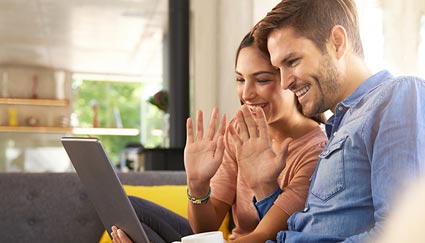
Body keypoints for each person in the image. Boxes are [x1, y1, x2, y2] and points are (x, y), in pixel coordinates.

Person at [111, 32, 328, 243]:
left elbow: (267, 236)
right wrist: (197, 183)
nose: (246, 94)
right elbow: (205, 230)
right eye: (240, 79)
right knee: (125, 211)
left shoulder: (316, 150)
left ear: (291, 81)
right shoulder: (238, 131)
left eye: (262, 80)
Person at [247, 0, 425, 242]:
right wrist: (265, 187)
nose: (285, 83)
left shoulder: (400, 96)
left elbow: (403, 234)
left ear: (337, 42)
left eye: (292, 62)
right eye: (279, 69)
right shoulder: (338, 128)